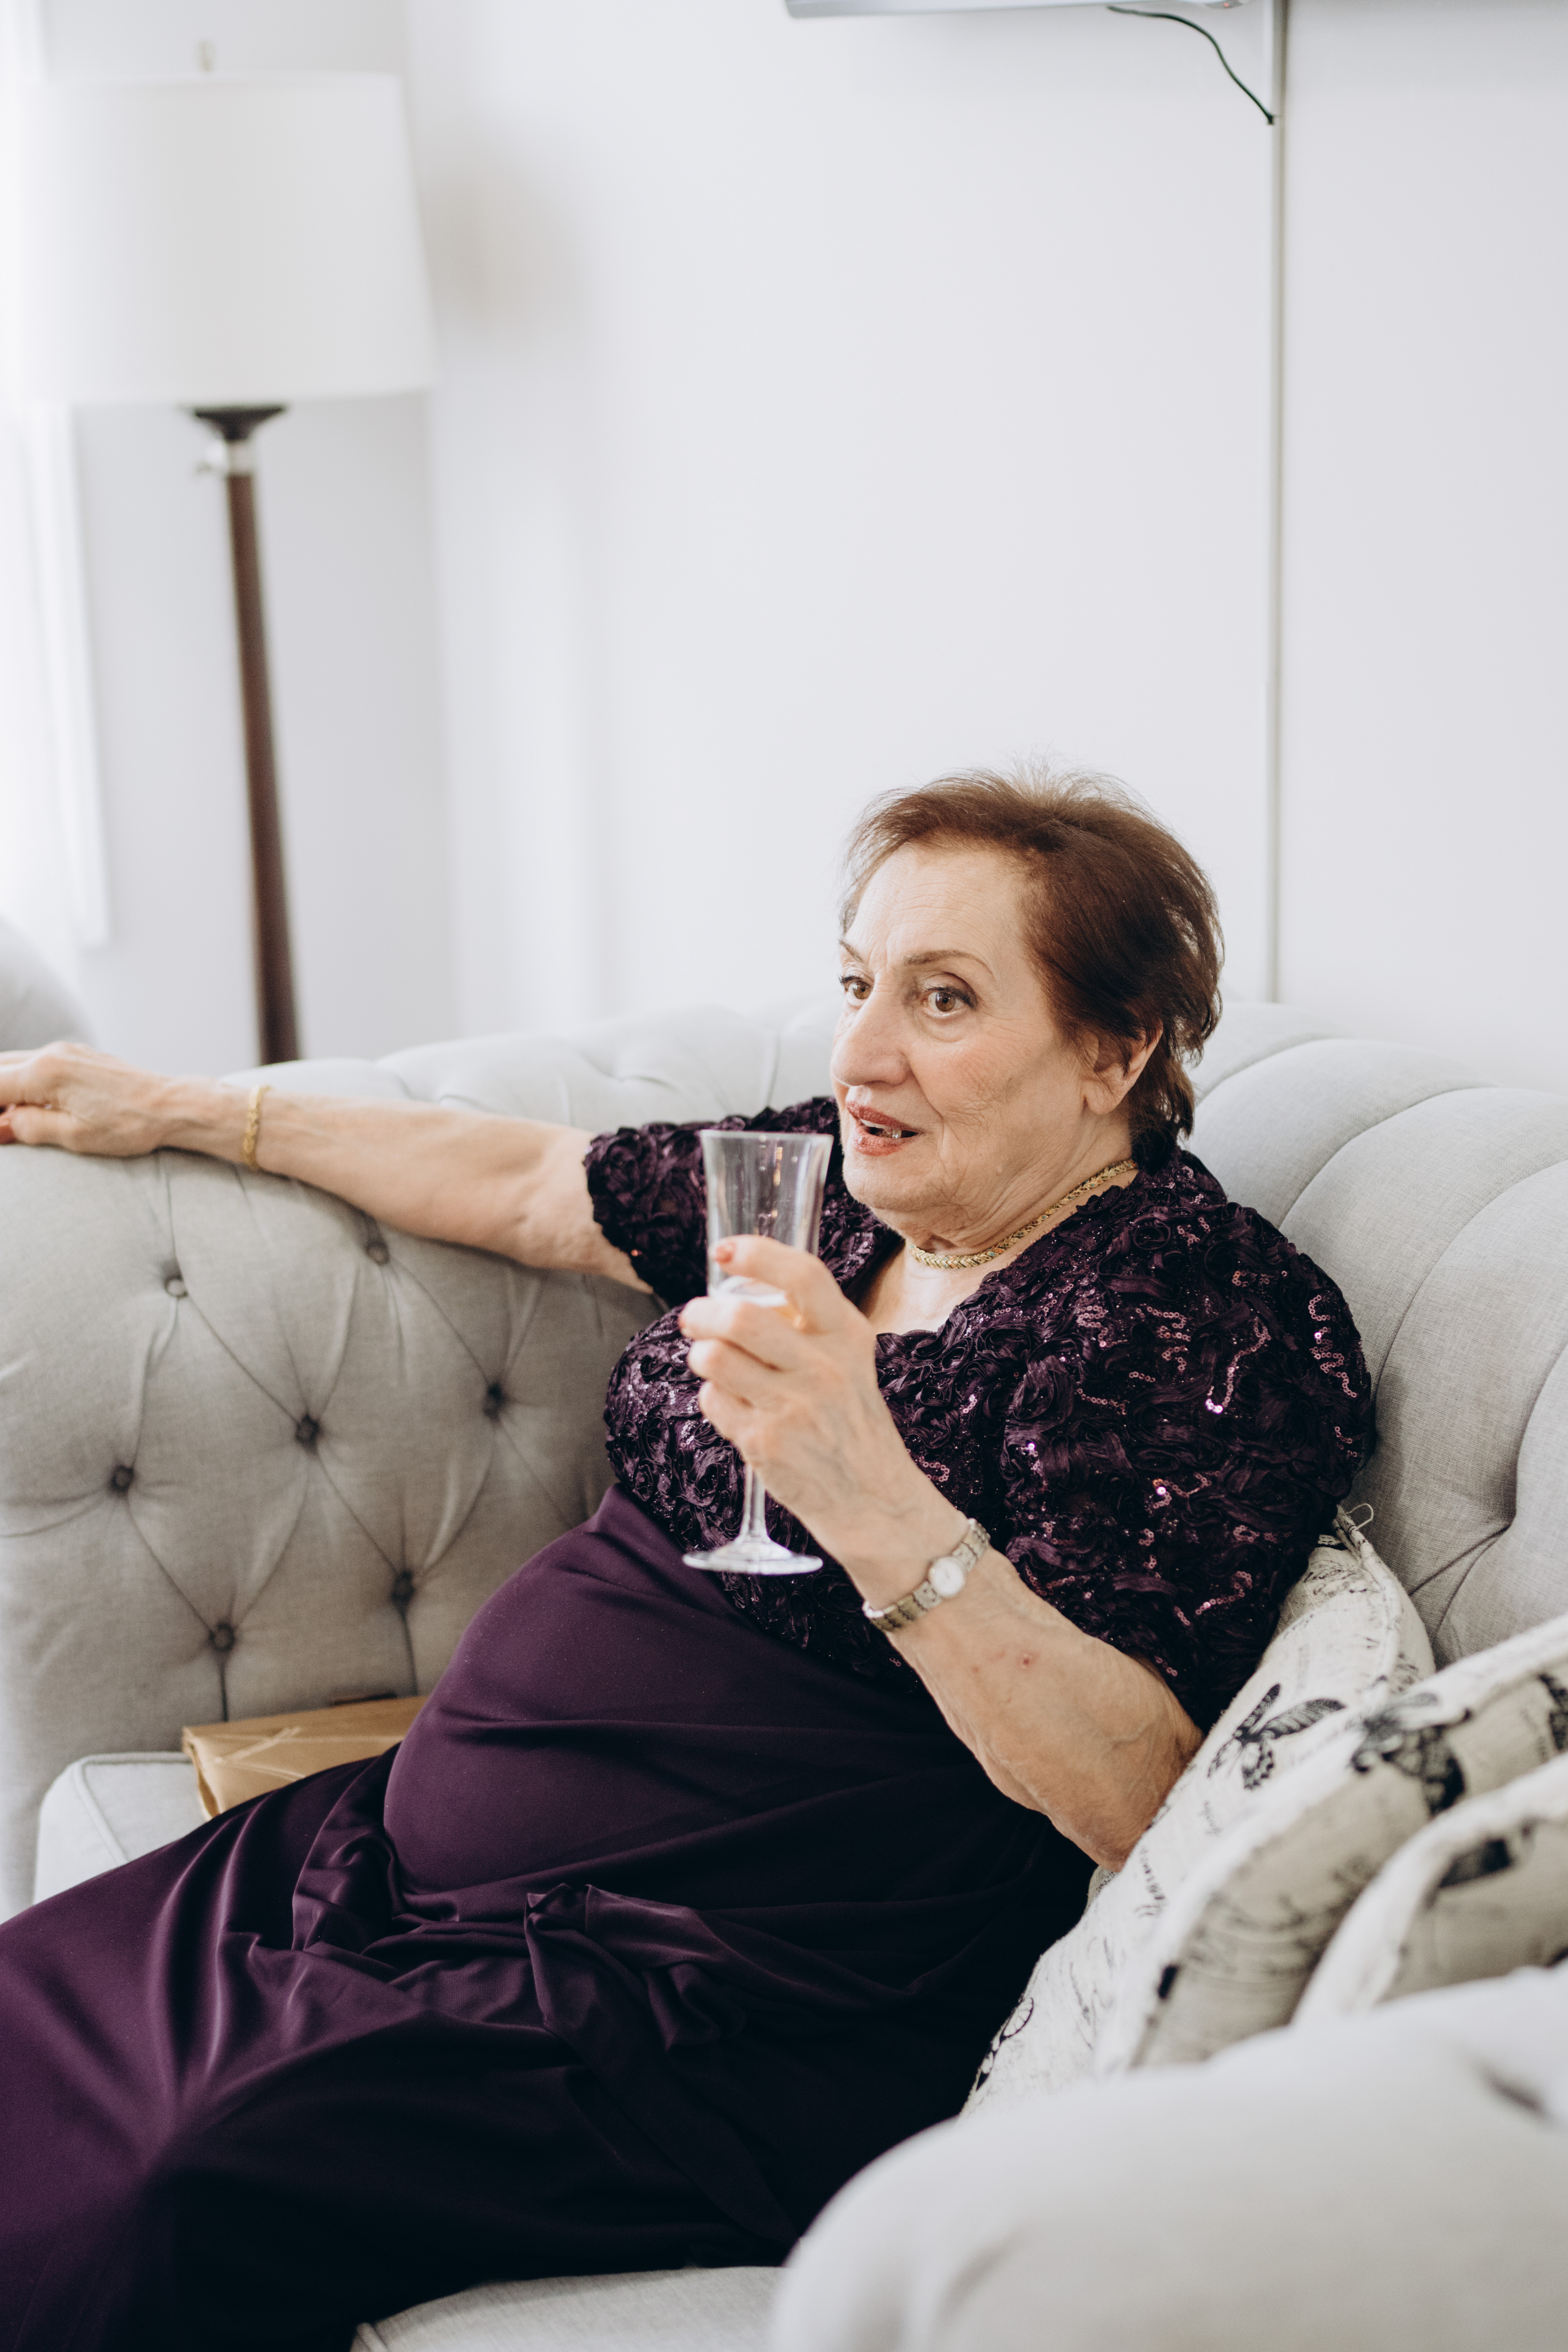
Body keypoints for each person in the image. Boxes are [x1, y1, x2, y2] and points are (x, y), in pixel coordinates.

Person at [0, 769, 1372, 2351]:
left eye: (942, 999)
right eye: (856, 985)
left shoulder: (1192, 1317)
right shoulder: (839, 1193)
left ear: (1115, 1049)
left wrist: (868, 1493)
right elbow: (538, 1186)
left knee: (167, 2189)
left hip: (725, 1993)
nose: (862, 1055)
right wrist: (186, 1109)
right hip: (398, 1862)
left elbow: (1140, 1794)